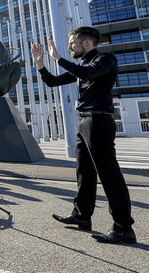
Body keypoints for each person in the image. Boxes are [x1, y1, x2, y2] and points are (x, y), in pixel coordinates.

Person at [32, 27, 136, 244]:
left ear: (86, 43)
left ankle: (123, 227)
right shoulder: (82, 66)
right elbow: (52, 81)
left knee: (109, 174)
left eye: (72, 43)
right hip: (84, 121)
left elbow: (88, 74)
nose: (69, 46)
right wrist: (40, 63)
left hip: (98, 121)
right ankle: (82, 216)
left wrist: (58, 57)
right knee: (84, 172)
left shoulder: (105, 60)